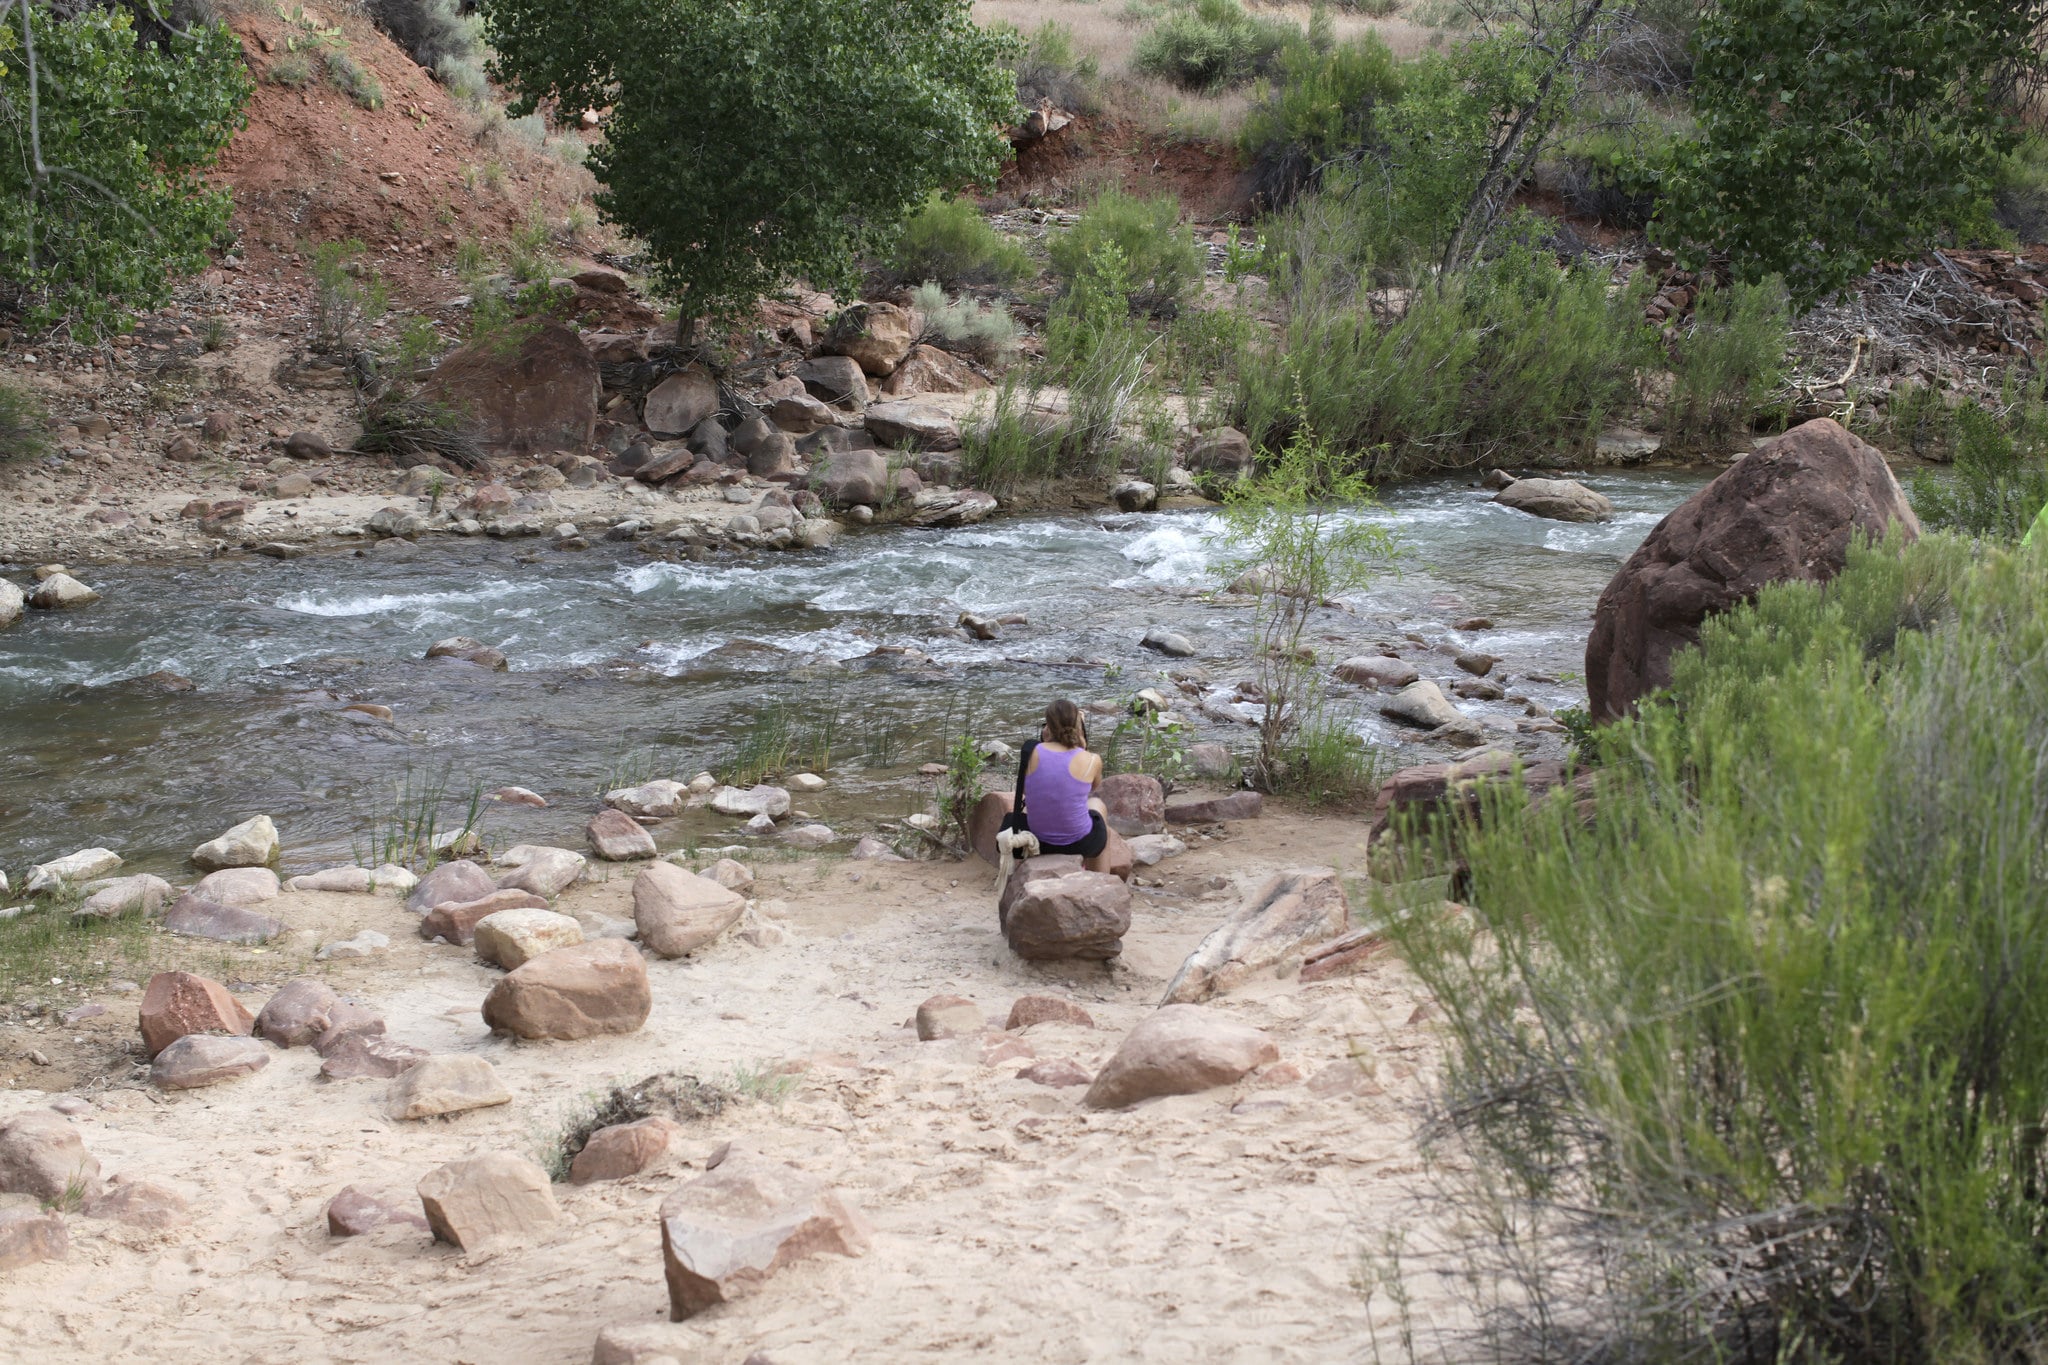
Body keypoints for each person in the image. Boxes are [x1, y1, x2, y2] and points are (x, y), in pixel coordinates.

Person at [1006, 698, 1109, 859]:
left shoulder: (1031, 751)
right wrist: (1081, 741)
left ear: (1048, 725)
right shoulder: (1092, 759)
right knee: (1097, 805)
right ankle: (1100, 878)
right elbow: (1092, 788)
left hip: (1039, 839)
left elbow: (1027, 790)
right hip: (1079, 843)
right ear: (1078, 727)